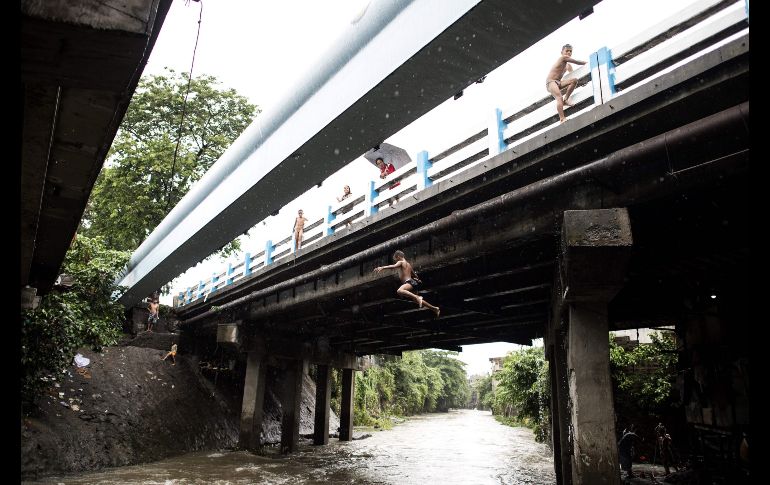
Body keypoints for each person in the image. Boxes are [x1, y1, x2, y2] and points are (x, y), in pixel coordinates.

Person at [374, 250, 440, 317]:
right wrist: (418, 280)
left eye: (396, 259)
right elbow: (415, 275)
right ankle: (434, 308)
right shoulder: (408, 264)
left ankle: (417, 297)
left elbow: (393, 266)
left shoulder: (401, 262)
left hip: (409, 282)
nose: (396, 261)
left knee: (399, 291)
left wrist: (383, 267)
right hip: (413, 283)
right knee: (416, 301)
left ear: (398, 257)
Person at [545, 44, 586, 122]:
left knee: (574, 80)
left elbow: (573, 75)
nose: (569, 53)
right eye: (567, 51)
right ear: (562, 52)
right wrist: (587, 63)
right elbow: (577, 62)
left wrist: (580, 83)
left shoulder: (568, 66)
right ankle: (562, 118)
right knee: (559, 97)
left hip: (558, 82)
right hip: (550, 82)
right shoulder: (563, 58)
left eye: (570, 51)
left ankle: (566, 99)